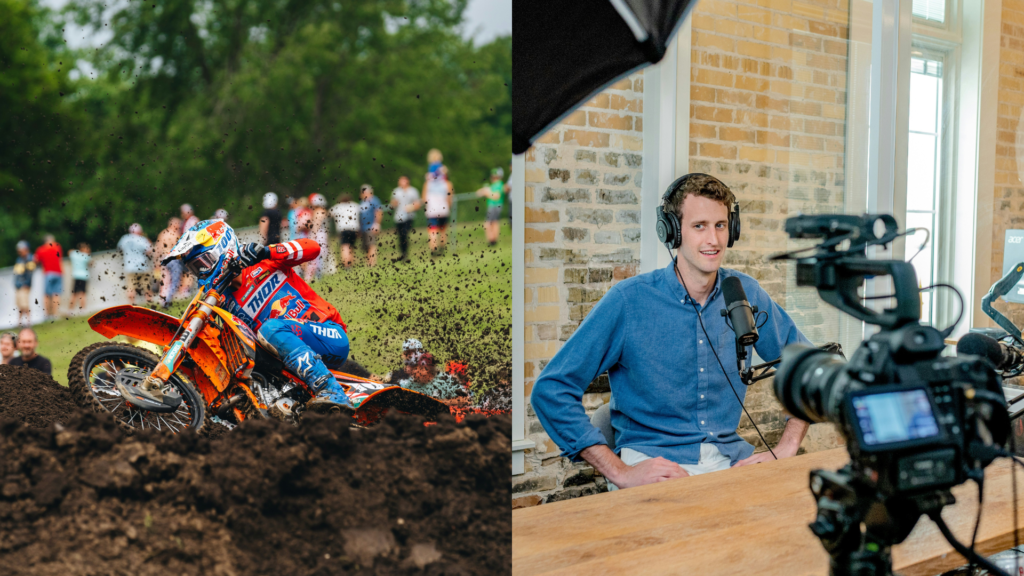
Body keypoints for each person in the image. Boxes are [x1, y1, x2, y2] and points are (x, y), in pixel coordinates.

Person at [531, 174, 812, 491]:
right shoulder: (629, 300)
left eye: (720, 225)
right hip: (652, 469)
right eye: (699, 226)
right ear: (672, 231)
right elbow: (551, 389)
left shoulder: (745, 293)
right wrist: (620, 471)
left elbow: (810, 370)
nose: (714, 240)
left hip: (729, 464)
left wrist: (787, 446)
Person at [161, 221, 353, 416]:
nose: (201, 274)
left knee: (270, 329)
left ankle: (332, 391)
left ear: (221, 250)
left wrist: (267, 252)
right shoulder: (222, 300)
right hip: (288, 367)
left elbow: (313, 248)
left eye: (202, 264)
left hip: (329, 335)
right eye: (195, 269)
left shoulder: (263, 261)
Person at [398, 353, 467, 400]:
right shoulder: (410, 384)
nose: (412, 371)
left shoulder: (447, 380)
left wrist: (441, 403)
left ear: (425, 369)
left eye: (415, 368)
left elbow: (466, 400)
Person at [422, 151, 453, 254]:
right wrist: (449, 206)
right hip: (443, 208)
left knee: (432, 230)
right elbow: (449, 196)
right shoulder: (446, 183)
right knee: (443, 229)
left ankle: (433, 249)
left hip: (432, 208)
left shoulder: (428, 183)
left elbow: (424, 198)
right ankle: (442, 247)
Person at [118, 223, 154, 305]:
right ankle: (149, 303)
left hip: (129, 267)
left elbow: (120, 249)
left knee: (130, 288)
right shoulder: (142, 239)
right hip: (142, 266)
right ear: (139, 231)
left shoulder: (124, 238)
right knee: (146, 287)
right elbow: (149, 251)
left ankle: (132, 304)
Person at [390, 176, 420, 261]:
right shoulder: (396, 191)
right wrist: (394, 203)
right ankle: (403, 253)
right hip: (398, 217)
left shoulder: (413, 191)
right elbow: (392, 204)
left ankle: (405, 253)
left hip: (409, 217)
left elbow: (417, 204)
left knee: (404, 233)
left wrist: (411, 207)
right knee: (401, 236)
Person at [155, 218, 183, 307]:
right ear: (173, 224)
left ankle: (162, 299)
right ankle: (167, 300)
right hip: (173, 259)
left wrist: (156, 262)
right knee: (175, 281)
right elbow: (178, 249)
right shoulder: (175, 234)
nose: (179, 226)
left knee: (165, 281)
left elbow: (157, 249)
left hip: (164, 259)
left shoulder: (163, 233)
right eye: (178, 224)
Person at [34, 234, 64, 320]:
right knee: (56, 294)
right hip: (59, 273)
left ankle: (47, 315)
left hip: (48, 273)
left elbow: (36, 261)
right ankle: (55, 314)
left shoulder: (40, 249)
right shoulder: (58, 246)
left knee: (47, 295)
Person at [476, 167, 506, 246]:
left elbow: (496, 196)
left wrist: (487, 193)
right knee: (493, 223)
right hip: (493, 206)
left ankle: (492, 241)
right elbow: (478, 193)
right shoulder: (494, 185)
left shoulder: (499, 184)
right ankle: (492, 241)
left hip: (495, 205)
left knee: (489, 223)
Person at [330, 193, 360, 269]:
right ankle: (351, 263)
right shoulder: (355, 205)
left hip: (343, 229)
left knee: (345, 247)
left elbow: (329, 213)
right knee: (351, 246)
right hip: (354, 229)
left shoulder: (338, 207)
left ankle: (346, 265)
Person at [359, 185, 383, 267]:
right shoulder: (362, 202)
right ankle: (368, 262)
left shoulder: (374, 200)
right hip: (363, 228)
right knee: (366, 246)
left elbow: (378, 212)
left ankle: (372, 263)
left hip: (371, 226)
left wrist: (377, 224)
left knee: (371, 245)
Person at [13, 241, 36, 327]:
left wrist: (27, 284)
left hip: (24, 286)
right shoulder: (19, 259)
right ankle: (19, 322)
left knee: (25, 304)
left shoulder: (30, 258)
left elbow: (30, 273)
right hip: (18, 286)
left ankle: (29, 321)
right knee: (20, 304)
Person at [307, 194, 330, 280]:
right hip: (323, 234)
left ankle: (317, 275)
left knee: (317, 255)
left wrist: (312, 236)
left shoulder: (318, 211)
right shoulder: (324, 211)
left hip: (318, 234)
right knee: (321, 254)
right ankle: (319, 275)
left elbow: (316, 225)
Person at [68, 243, 92, 314]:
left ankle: (70, 310)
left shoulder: (74, 254)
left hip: (76, 276)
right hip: (84, 276)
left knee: (74, 294)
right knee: (82, 294)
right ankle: (82, 309)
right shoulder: (86, 256)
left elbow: (69, 251)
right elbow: (91, 263)